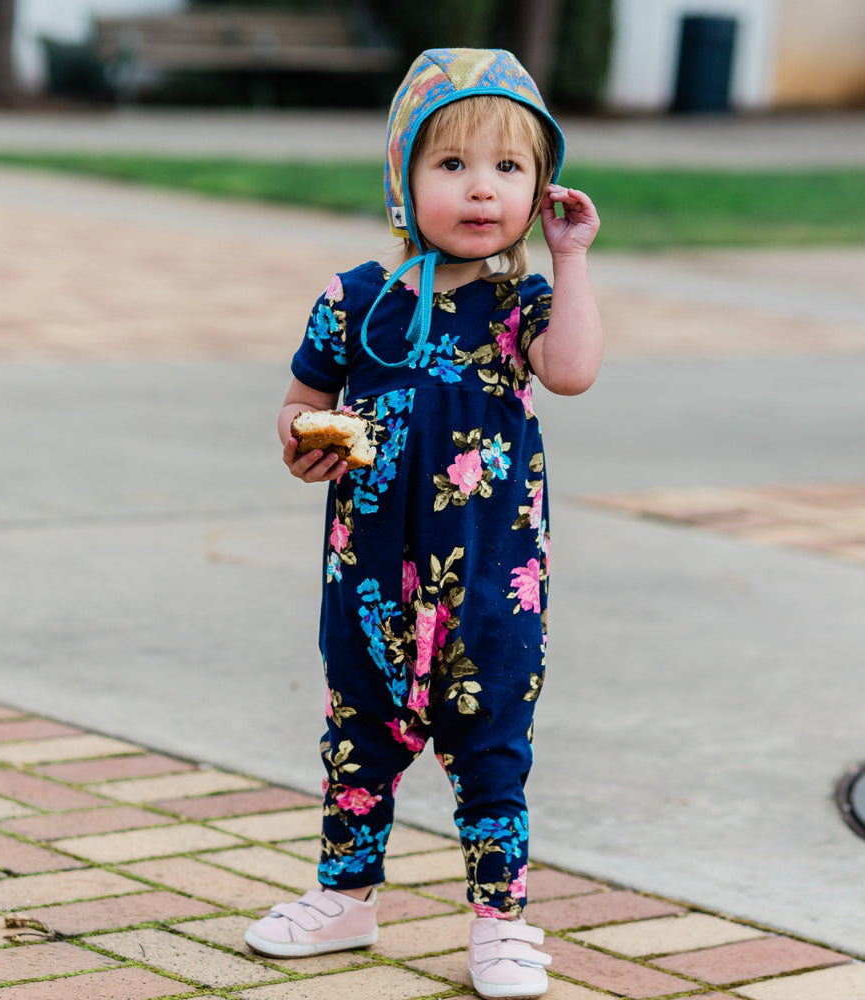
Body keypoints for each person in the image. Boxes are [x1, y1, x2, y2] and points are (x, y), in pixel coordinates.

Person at [245, 47, 602, 999]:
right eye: (452, 165)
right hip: (369, 575)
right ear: (404, 179)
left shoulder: (518, 305)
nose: (482, 189)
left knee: (490, 738)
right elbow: (297, 403)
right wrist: (301, 441)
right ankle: (346, 894)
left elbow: (570, 371)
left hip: (488, 575)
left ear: (540, 189)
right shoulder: (356, 301)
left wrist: (569, 263)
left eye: (509, 168)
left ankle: (500, 920)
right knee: (358, 728)